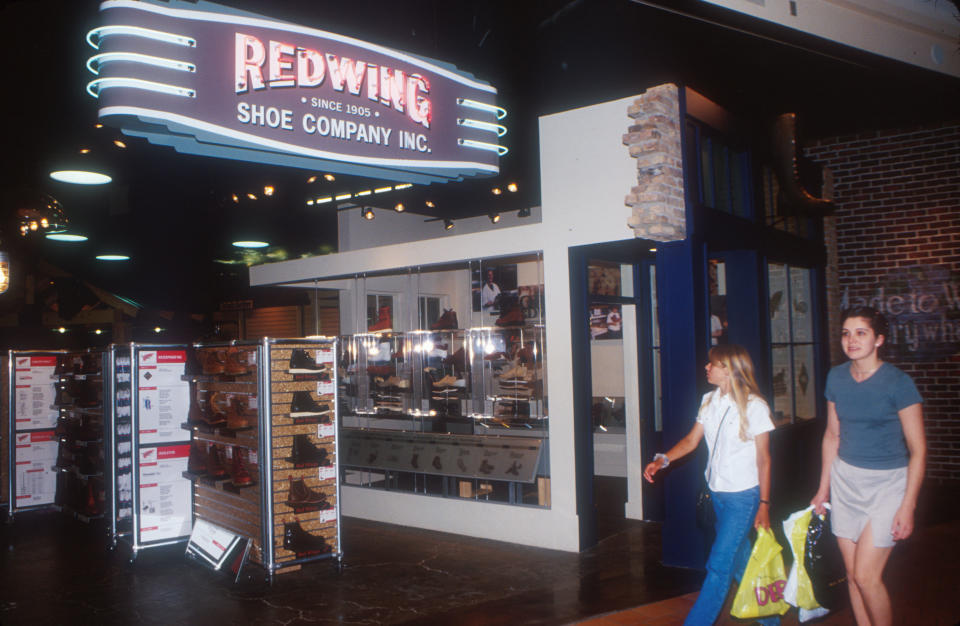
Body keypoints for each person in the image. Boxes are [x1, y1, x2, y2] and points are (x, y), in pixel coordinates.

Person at [644, 344, 777, 625]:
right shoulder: (708, 400)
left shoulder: (756, 407)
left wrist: (764, 504)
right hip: (717, 495)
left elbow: (764, 460)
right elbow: (692, 441)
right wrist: (662, 460)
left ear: (728, 370)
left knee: (718, 565)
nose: (707, 367)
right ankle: (770, 621)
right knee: (739, 561)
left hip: (744, 497)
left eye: (712, 364)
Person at [810, 307, 924, 626]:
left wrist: (908, 505)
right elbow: (832, 435)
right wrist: (823, 488)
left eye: (861, 333)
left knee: (867, 576)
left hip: (888, 486)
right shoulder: (836, 377)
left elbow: (919, 449)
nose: (852, 340)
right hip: (846, 483)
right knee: (852, 576)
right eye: (846, 333)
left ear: (879, 340)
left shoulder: (898, 383)